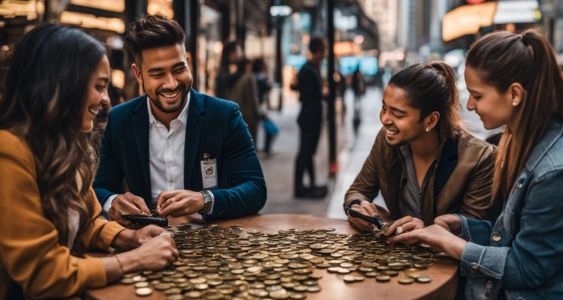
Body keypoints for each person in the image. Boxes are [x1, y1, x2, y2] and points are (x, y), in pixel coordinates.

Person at [0, 24, 177, 299]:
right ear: (62, 85)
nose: (106, 100)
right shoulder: (8, 150)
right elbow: (41, 274)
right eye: (98, 87)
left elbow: (86, 223)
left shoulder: (65, 146)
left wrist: (130, 238)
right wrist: (135, 259)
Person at [390, 30, 563, 299]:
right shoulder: (526, 142)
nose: (469, 105)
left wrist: (454, 245)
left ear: (515, 93)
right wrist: (461, 226)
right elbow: (513, 234)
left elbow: (528, 267)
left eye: (477, 95)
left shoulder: (553, 171)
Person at [94, 15, 266, 227]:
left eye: (178, 69)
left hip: (212, 244)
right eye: (157, 74)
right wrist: (114, 201)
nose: (171, 83)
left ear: (189, 63)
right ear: (138, 75)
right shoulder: (120, 119)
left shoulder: (224, 115)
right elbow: (101, 187)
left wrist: (204, 200)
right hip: (144, 243)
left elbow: (255, 189)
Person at [344, 62, 500, 232]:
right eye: (384, 108)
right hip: (399, 255)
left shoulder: (480, 158)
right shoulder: (387, 141)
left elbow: (475, 228)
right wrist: (358, 207)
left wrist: (425, 230)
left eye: (398, 113)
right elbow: (358, 190)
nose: (385, 119)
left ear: (431, 120)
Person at [294, 37, 328, 199]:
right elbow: (309, 95)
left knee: (308, 152)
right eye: (324, 50)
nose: (325, 54)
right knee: (305, 152)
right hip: (309, 116)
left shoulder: (311, 68)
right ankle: (299, 187)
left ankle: (309, 185)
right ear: (319, 51)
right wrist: (322, 93)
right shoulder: (308, 69)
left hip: (311, 115)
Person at [215, 41, 261, 142]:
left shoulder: (232, 72)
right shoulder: (229, 74)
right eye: (238, 51)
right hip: (230, 117)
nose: (240, 54)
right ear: (231, 54)